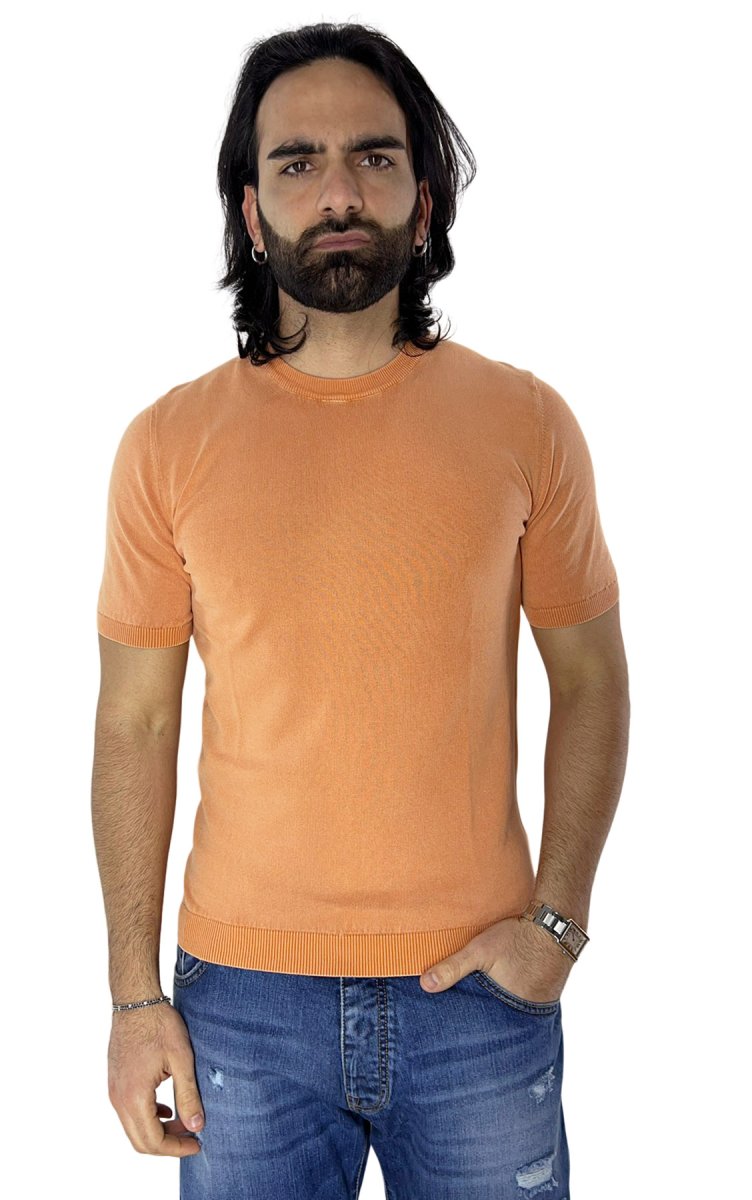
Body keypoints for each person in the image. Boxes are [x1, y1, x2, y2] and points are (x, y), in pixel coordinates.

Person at [92, 20, 630, 1200]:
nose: (337, 192)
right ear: (250, 213)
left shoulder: (525, 423)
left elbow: (589, 678)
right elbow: (135, 721)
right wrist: (134, 1000)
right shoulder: (166, 446)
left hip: (479, 997)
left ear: (421, 200)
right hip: (240, 1009)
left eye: (372, 158)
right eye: (297, 162)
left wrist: (555, 928)